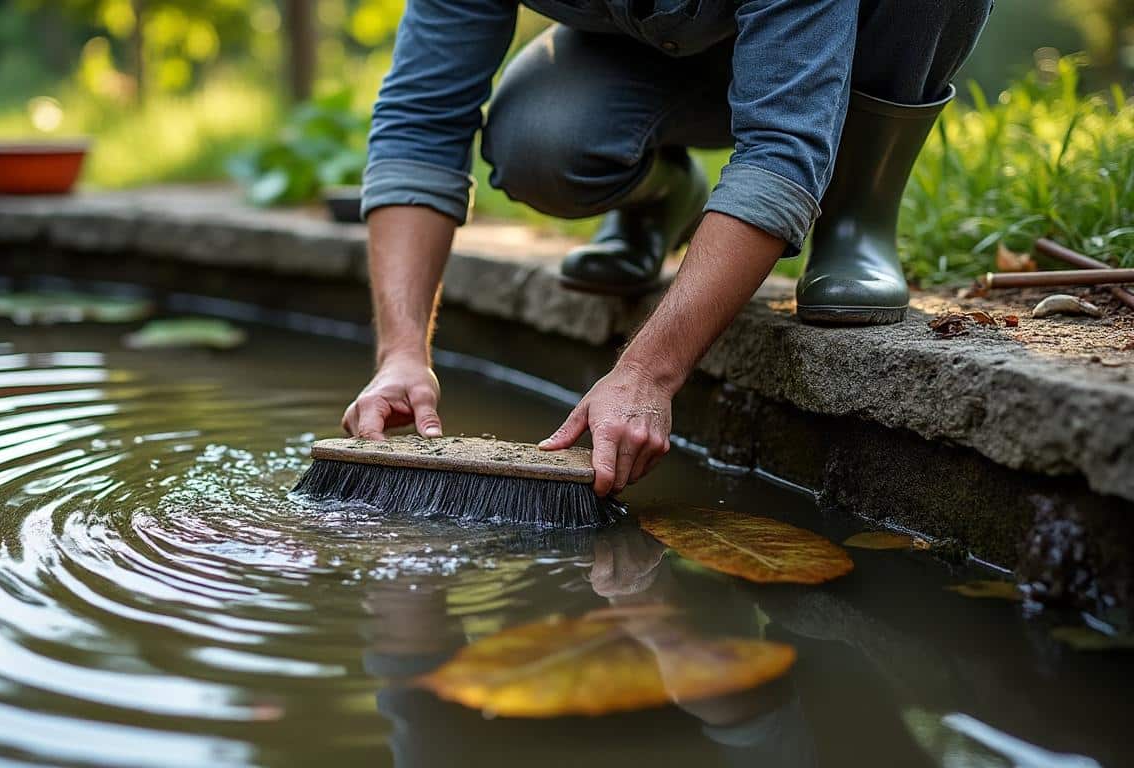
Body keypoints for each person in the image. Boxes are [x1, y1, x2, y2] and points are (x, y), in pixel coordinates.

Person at [342, 0, 992, 495]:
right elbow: (420, 124)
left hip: (847, 42)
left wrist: (648, 372)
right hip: (670, 58)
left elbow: (782, 146)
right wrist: (400, 353)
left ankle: (855, 214)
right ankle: (660, 197)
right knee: (538, 142)